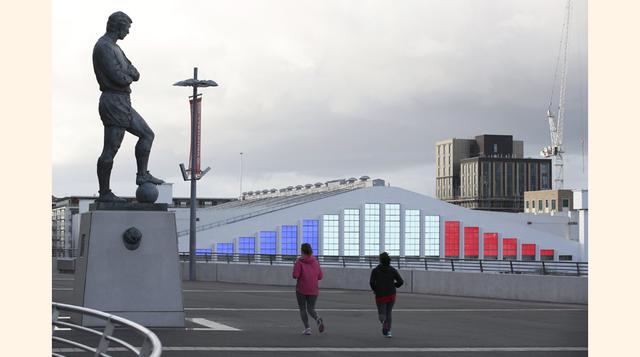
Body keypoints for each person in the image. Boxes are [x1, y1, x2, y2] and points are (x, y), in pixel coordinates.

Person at [93, 11, 164, 202]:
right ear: (118, 26)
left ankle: (142, 174)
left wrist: (128, 75)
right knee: (111, 149)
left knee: (147, 134)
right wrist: (127, 76)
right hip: (113, 101)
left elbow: (135, 73)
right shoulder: (103, 47)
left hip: (123, 100)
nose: (128, 32)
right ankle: (104, 193)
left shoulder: (116, 48)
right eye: (127, 28)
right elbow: (120, 77)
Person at [292, 243, 325, 335]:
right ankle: (317, 318)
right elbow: (320, 276)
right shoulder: (315, 262)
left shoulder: (299, 262)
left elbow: (295, 275)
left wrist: (295, 267)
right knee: (311, 308)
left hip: (301, 289)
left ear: (302, 251)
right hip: (313, 289)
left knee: (302, 309)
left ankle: (307, 328)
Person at [369, 252, 403, 338]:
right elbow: (401, 282)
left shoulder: (375, 271)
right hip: (391, 294)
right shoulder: (392, 270)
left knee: (382, 314)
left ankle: (383, 322)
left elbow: (372, 283)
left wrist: (375, 289)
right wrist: (394, 285)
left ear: (380, 260)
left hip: (380, 295)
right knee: (389, 313)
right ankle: (388, 331)